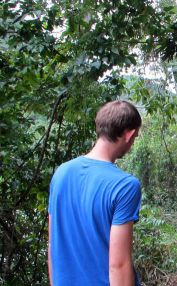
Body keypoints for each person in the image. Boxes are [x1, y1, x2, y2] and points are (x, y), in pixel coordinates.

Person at [48, 100, 142, 286]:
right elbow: (118, 264)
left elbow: (53, 247)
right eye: (135, 137)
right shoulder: (125, 185)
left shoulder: (61, 173)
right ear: (128, 134)